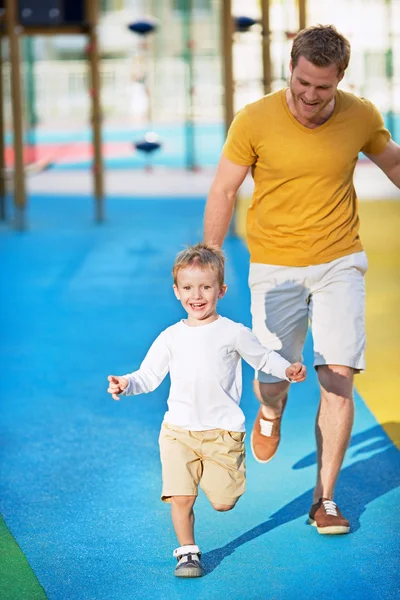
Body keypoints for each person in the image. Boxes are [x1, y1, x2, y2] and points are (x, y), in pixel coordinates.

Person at [203, 24, 400, 535]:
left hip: (340, 260)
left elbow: (393, 160)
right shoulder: (254, 120)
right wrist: (212, 257)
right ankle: (270, 413)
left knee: (337, 380)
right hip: (275, 266)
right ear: (290, 70)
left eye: (323, 87)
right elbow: (224, 191)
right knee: (274, 379)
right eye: (303, 83)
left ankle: (325, 499)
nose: (311, 97)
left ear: (340, 79)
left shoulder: (361, 115)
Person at [107, 243, 306, 577]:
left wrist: (287, 369)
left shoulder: (233, 332)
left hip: (223, 432)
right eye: (187, 288)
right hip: (178, 432)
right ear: (176, 291)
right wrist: (126, 383)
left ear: (221, 290)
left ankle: (221, 487)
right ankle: (188, 553)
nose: (196, 295)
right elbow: (149, 376)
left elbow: (263, 357)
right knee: (181, 498)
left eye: (205, 287)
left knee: (222, 503)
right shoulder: (170, 337)